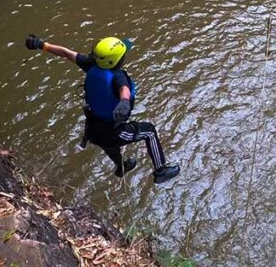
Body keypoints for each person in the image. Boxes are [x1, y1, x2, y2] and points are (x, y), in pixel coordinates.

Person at [24, 34, 181, 184]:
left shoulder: (90, 63)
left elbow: (65, 53)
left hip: (93, 129)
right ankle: (161, 170)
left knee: (109, 146)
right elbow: (124, 89)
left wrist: (41, 45)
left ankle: (121, 167)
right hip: (112, 131)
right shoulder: (118, 76)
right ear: (118, 61)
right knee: (150, 131)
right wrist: (125, 102)